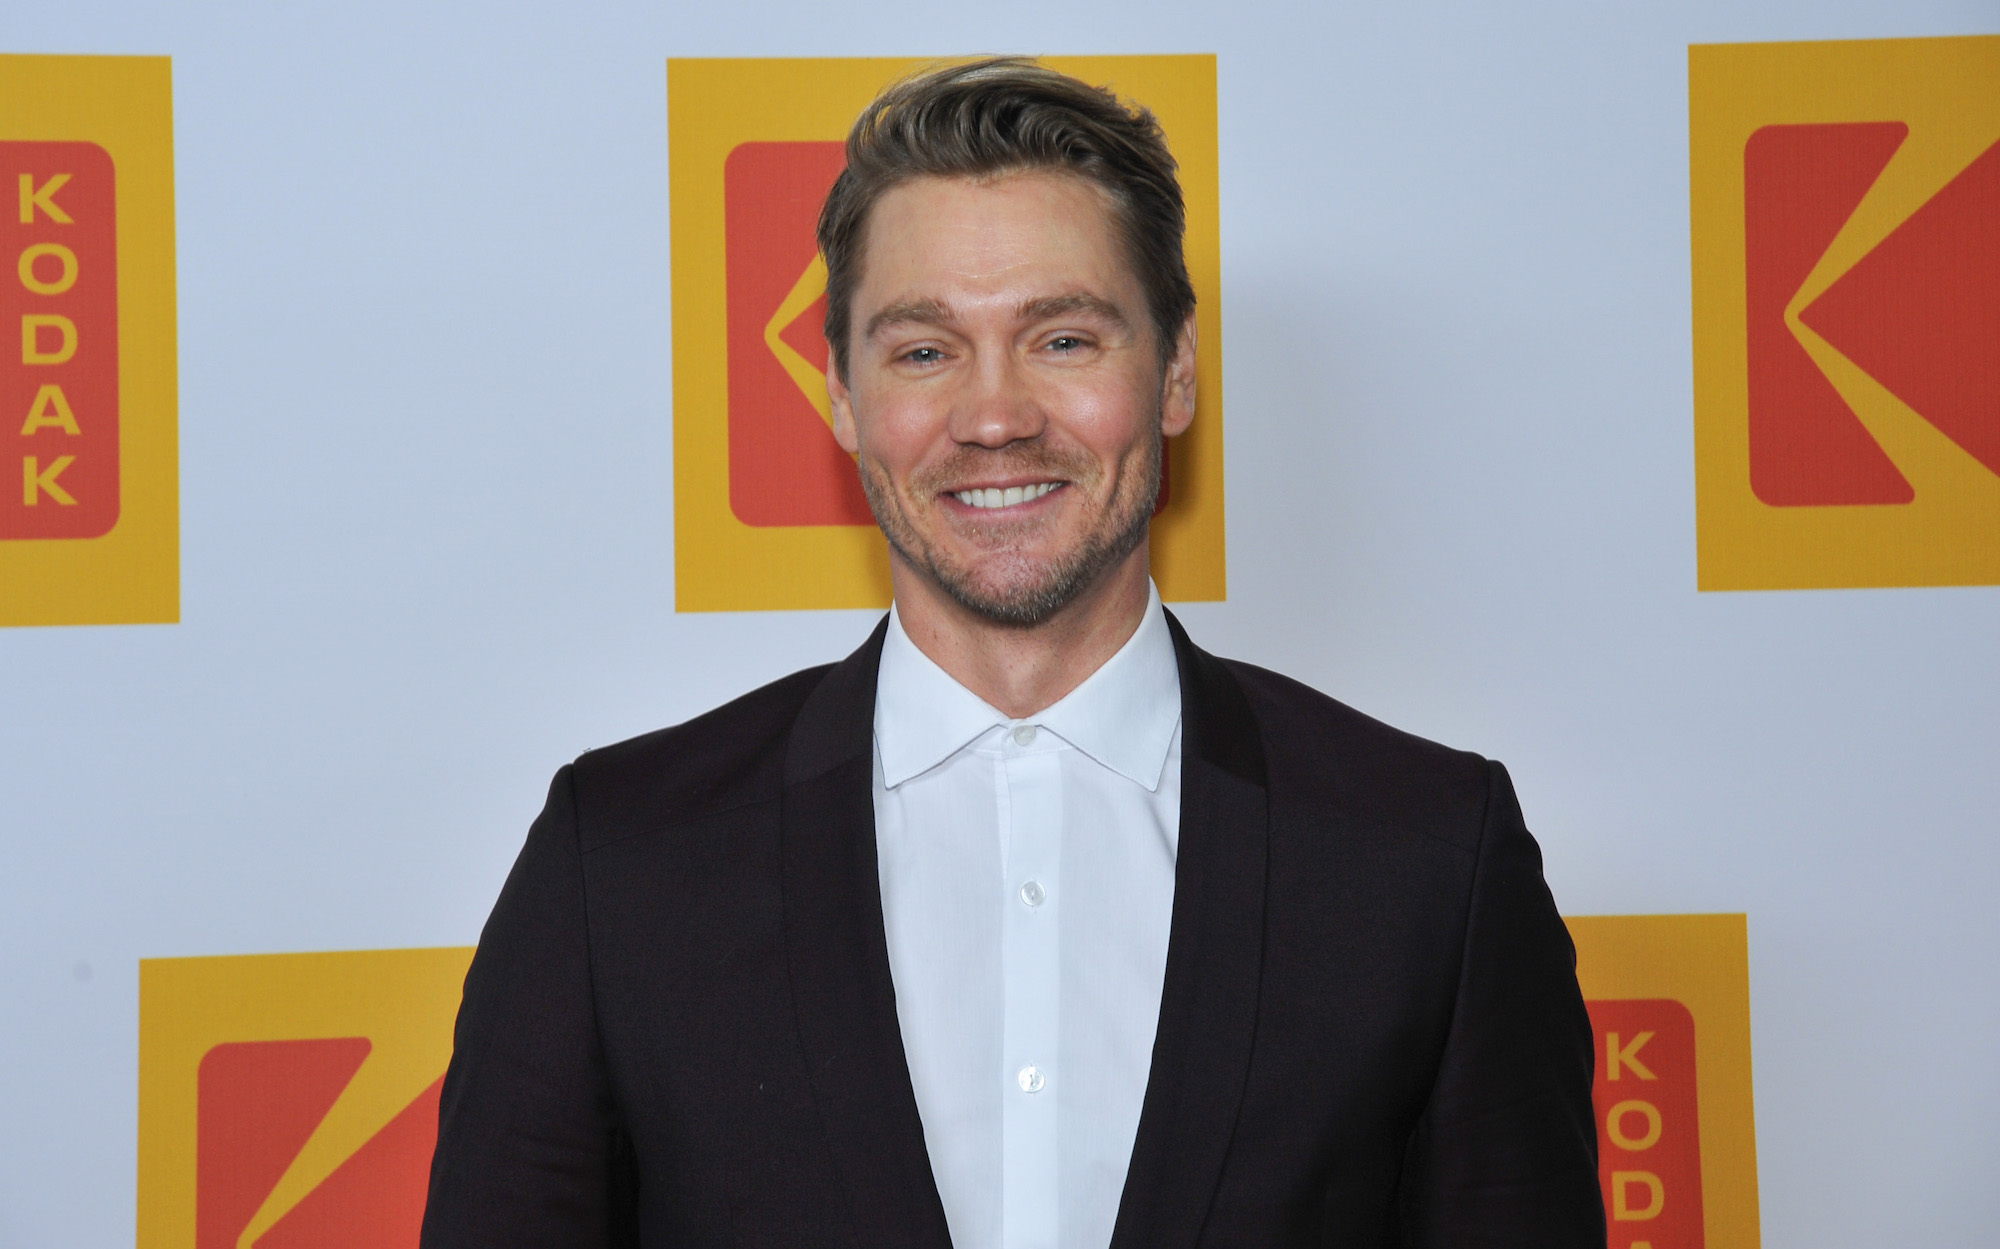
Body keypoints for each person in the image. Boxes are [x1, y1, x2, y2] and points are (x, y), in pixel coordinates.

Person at [422, 57, 1604, 1249]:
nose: (993, 418)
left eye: (1063, 339)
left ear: (1176, 370)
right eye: (924, 351)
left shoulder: (1425, 860)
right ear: (841, 392)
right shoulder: (620, 861)